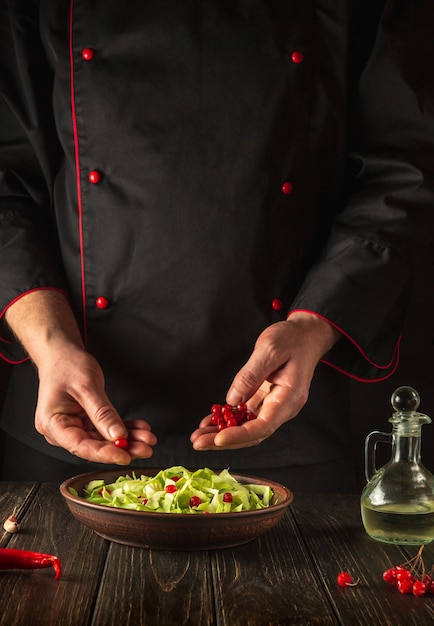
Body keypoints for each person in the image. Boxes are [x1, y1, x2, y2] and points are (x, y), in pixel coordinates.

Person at [1, 0, 433, 491]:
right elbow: (5, 180)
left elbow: (402, 170)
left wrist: (312, 329)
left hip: (285, 419)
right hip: (71, 423)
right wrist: (49, 344)